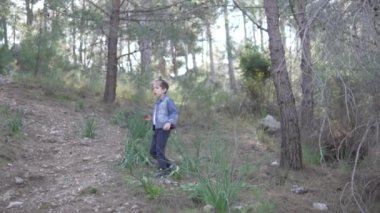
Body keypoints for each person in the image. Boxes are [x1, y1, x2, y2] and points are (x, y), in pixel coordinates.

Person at [145, 78, 179, 178]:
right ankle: (170, 165)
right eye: (153, 88)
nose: (154, 90)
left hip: (164, 129)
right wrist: (151, 118)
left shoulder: (167, 101)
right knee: (153, 151)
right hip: (157, 128)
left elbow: (174, 112)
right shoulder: (158, 102)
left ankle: (162, 171)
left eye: (157, 88)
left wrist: (169, 122)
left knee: (160, 150)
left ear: (164, 90)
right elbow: (159, 115)